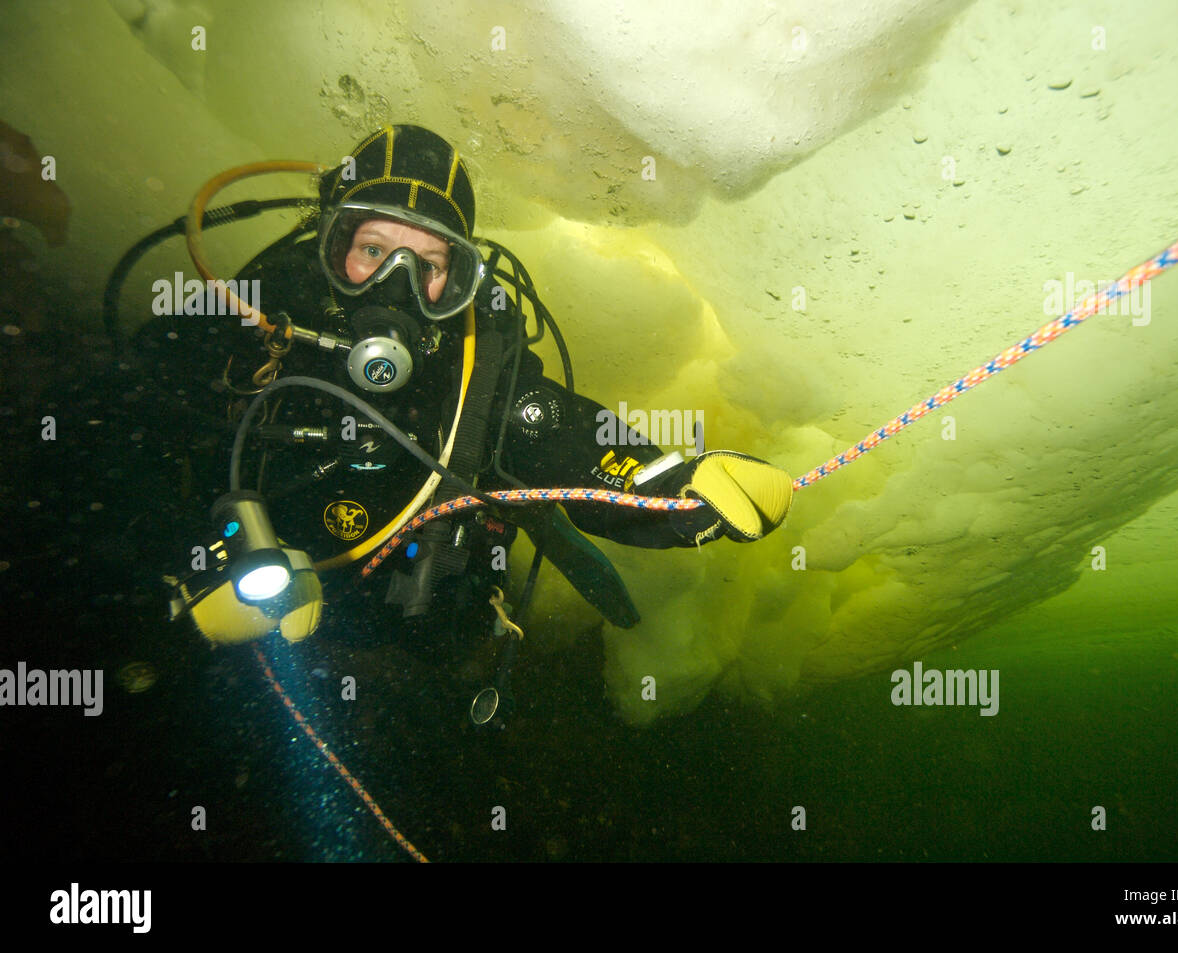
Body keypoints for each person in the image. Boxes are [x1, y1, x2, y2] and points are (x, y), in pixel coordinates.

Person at [155, 124, 792, 710]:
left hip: (406, 638)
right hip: (247, 626)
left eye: (427, 265)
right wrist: (187, 567)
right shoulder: (257, 313)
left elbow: (564, 436)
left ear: (456, 277)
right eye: (373, 248)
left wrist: (676, 490)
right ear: (330, 245)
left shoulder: (475, 360)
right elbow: (123, 430)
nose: (395, 284)